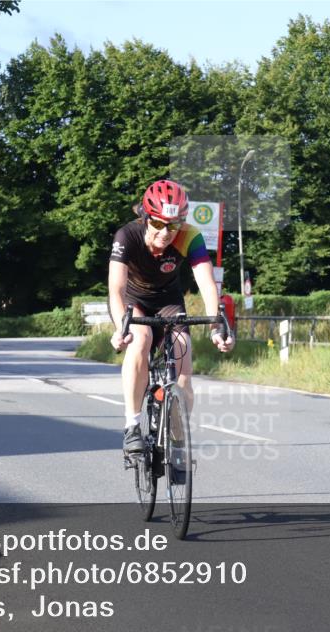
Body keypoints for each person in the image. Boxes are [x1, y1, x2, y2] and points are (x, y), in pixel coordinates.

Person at [108, 179, 234, 454]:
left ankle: (177, 442)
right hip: (134, 301)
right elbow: (116, 289)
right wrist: (121, 328)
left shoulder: (190, 236)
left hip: (168, 301)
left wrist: (216, 328)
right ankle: (132, 426)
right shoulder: (126, 236)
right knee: (141, 339)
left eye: (174, 225)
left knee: (183, 355)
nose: (166, 232)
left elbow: (206, 283)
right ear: (145, 217)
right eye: (158, 223)